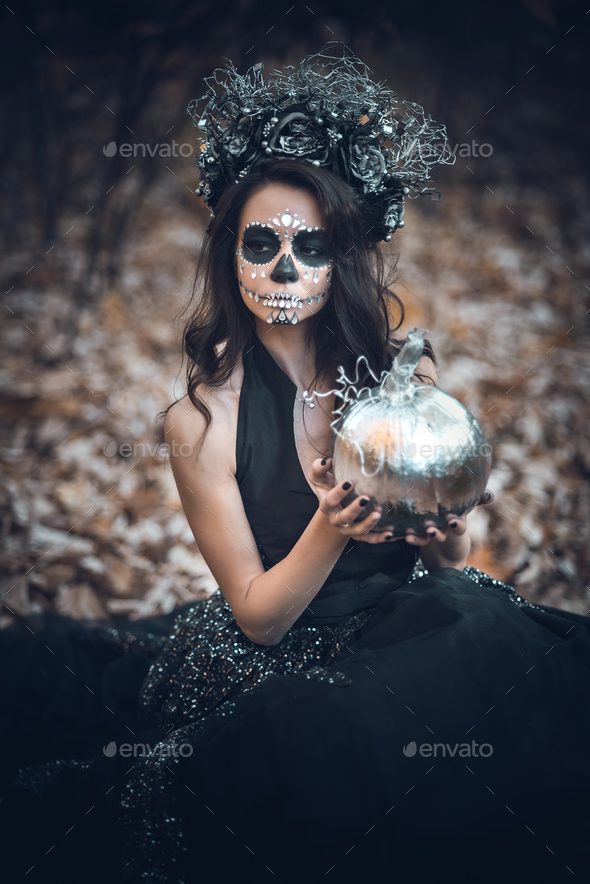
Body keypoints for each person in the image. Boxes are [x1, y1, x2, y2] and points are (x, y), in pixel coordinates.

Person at [1, 45, 590, 884]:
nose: (285, 267)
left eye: (310, 246)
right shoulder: (199, 422)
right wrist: (327, 525)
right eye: (262, 242)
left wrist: (447, 530)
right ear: (228, 252)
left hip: (410, 623)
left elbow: (445, 561)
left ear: (340, 254)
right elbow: (260, 619)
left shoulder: (402, 377)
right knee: (328, 737)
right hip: (280, 656)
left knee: (496, 639)